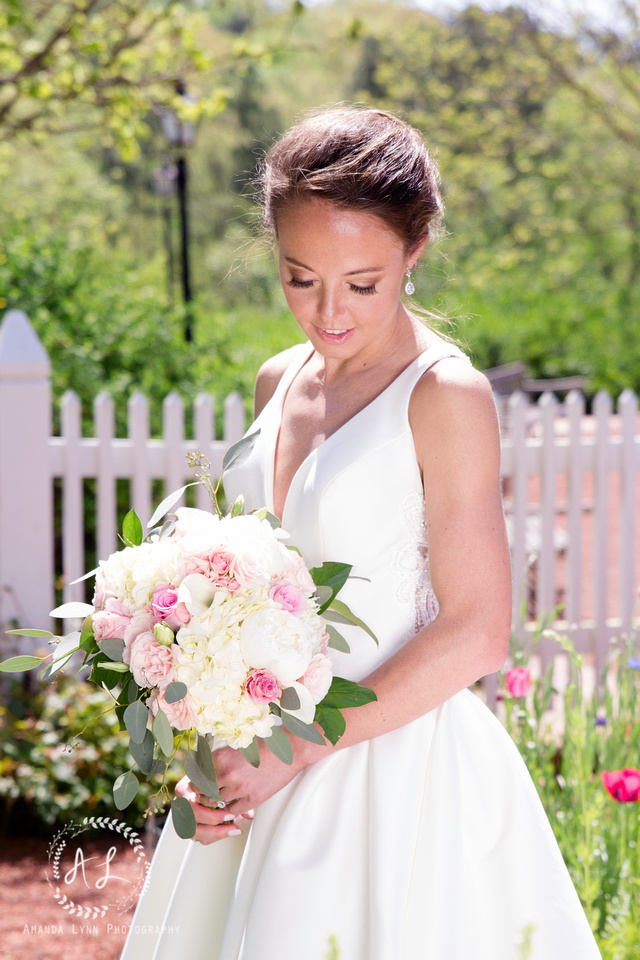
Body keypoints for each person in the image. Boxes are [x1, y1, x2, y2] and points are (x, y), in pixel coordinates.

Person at [121, 106, 601, 960]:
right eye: (301, 278)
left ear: (415, 251)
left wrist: (297, 748)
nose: (329, 311)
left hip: (396, 783)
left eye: (362, 282)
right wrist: (214, 751)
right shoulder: (278, 379)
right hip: (253, 770)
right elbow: (247, 605)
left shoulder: (445, 396)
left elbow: (478, 629)